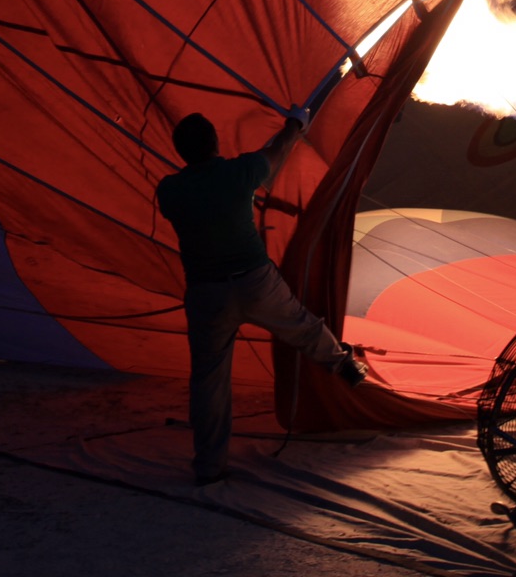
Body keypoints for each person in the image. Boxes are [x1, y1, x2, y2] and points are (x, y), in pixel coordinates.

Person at [155, 108, 367, 485]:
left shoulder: (170, 190)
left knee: (209, 381)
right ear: (216, 143)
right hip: (255, 280)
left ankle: (208, 466)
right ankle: (343, 365)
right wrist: (296, 124)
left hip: (208, 294)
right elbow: (278, 151)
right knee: (301, 325)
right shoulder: (240, 172)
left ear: (180, 151)